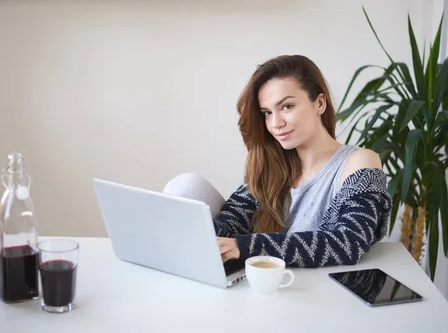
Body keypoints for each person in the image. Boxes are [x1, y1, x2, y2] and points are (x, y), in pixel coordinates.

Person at [164, 55, 392, 268]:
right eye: (267, 113)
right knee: (186, 187)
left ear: (319, 103)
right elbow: (232, 220)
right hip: (260, 284)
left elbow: (348, 242)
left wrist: (245, 247)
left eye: (287, 107)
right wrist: (200, 240)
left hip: (317, 290)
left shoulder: (360, 162)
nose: (276, 123)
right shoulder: (270, 164)